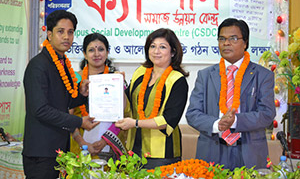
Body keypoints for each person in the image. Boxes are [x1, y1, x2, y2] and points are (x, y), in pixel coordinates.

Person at [186, 18, 276, 170]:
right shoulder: (205, 75)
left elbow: (267, 114)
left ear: (245, 43)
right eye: (222, 39)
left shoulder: (263, 75)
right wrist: (217, 124)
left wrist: (235, 121)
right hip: (212, 152)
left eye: (233, 38)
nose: (226, 43)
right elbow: (192, 114)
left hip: (249, 153)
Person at [22, 10, 99, 179]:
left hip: (59, 150)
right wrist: (79, 121)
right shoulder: (38, 66)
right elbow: (40, 109)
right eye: (60, 31)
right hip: (41, 152)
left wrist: (82, 94)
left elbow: (64, 101)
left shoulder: (61, 63)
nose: (66, 37)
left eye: (70, 32)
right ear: (49, 34)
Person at [116, 28, 189, 169]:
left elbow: (168, 120)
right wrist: (119, 86)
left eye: (162, 47)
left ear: (173, 52)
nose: (156, 51)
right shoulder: (140, 72)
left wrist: (135, 123)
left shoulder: (177, 80)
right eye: (153, 46)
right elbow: (128, 106)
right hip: (133, 149)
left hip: (162, 153)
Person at [70, 33, 126, 161]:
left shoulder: (115, 78)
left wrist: (105, 141)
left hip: (110, 145)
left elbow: (122, 113)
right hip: (79, 145)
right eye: (91, 50)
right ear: (84, 54)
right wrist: (82, 143)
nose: (96, 54)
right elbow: (68, 115)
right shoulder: (74, 79)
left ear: (107, 53)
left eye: (101, 49)